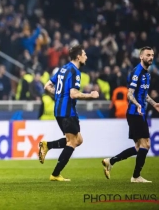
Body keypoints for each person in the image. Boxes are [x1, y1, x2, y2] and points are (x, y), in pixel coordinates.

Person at [38, 45, 99, 181]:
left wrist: (59, 94)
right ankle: (55, 174)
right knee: (72, 142)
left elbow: (47, 86)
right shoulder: (75, 71)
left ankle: (48, 145)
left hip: (59, 110)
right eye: (84, 54)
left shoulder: (62, 69)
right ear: (78, 57)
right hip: (67, 111)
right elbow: (73, 93)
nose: (86, 57)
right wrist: (90, 95)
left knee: (78, 140)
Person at [102, 46, 159, 183]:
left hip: (140, 112)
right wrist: (138, 105)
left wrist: (154, 104)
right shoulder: (137, 72)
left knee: (139, 147)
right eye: (148, 55)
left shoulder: (147, 74)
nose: (151, 57)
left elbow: (143, 95)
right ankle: (136, 176)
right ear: (141, 57)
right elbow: (130, 94)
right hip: (135, 113)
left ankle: (111, 161)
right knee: (145, 145)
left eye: (152, 55)